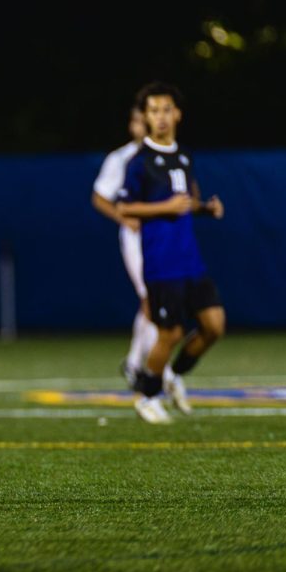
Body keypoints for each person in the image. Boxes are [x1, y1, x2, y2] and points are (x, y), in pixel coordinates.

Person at [115, 81, 226, 424]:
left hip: (190, 259)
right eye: (153, 111)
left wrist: (204, 208)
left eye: (165, 110)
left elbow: (184, 201)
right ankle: (146, 396)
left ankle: (174, 375)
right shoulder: (140, 162)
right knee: (171, 333)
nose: (160, 117)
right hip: (162, 263)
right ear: (145, 117)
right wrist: (162, 207)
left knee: (214, 326)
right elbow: (124, 208)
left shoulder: (183, 155)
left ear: (176, 114)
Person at [91, 104, 159, 390]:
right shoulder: (121, 158)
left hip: (162, 236)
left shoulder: (165, 155)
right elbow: (100, 197)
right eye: (136, 120)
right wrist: (124, 217)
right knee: (152, 298)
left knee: (160, 299)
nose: (140, 125)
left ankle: (138, 364)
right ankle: (148, 367)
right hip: (136, 238)